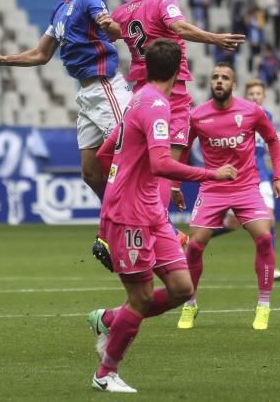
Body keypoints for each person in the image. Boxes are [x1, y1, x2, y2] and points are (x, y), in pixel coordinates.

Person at [87, 40, 237, 393]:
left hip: (150, 213)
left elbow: (107, 152)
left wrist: (125, 181)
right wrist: (212, 175)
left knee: (182, 289)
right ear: (179, 69)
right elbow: (161, 163)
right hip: (130, 217)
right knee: (140, 297)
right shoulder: (155, 106)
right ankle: (105, 374)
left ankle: (108, 319)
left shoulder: (138, 98)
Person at [96, 0, 244, 218]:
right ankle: (160, 227)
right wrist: (215, 38)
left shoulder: (119, 13)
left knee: (108, 155)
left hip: (138, 97)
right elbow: (179, 28)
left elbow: (117, 32)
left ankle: (121, 210)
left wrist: (108, 27)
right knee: (164, 166)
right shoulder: (164, 2)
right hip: (170, 97)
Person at [0, 0, 131, 199]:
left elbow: (113, 27)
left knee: (127, 160)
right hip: (86, 94)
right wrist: (3, 60)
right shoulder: (61, 9)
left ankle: (159, 228)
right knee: (91, 173)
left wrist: (109, 26)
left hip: (105, 87)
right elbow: (41, 54)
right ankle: (119, 220)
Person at [176, 61, 280, 331]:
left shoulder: (251, 111)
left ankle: (263, 305)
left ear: (233, 85)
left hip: (246, 187)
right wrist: (175, 185)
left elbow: (272, 140)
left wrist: (279, 176)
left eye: (225, 78)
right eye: (215, 77)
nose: (219, 81)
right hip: (212, 188)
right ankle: (190, 304)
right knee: (194, 245)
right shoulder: (197, 116)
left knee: (263, 237)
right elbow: (181, 148)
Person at [211, 79, 280, 282]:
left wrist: (278, 175)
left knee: (269, 219)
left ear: (264, 96)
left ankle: (269, 269)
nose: (255, 97)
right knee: (231, 224)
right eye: (251, 94)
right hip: (238, 177)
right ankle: (195, 239)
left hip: (260, 176)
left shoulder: (267, 117)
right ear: (247, 96)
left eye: (258, 94)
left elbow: (272, 145)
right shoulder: (237, 115)